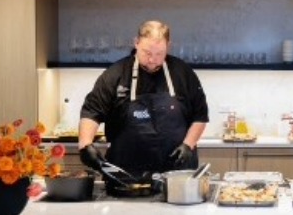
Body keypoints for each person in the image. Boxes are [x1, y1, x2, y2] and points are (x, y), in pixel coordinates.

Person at [78, 20, 208, 178]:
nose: (152, 59)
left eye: (159, 53)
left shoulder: (183, 73)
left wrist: (188, 145)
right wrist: (85, 145)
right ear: (136, 43)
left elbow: (200, 115)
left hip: (176, 174)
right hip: (126, 173)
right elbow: (92, 111)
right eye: (147, 52)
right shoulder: (115, 74)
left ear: (168, 46)